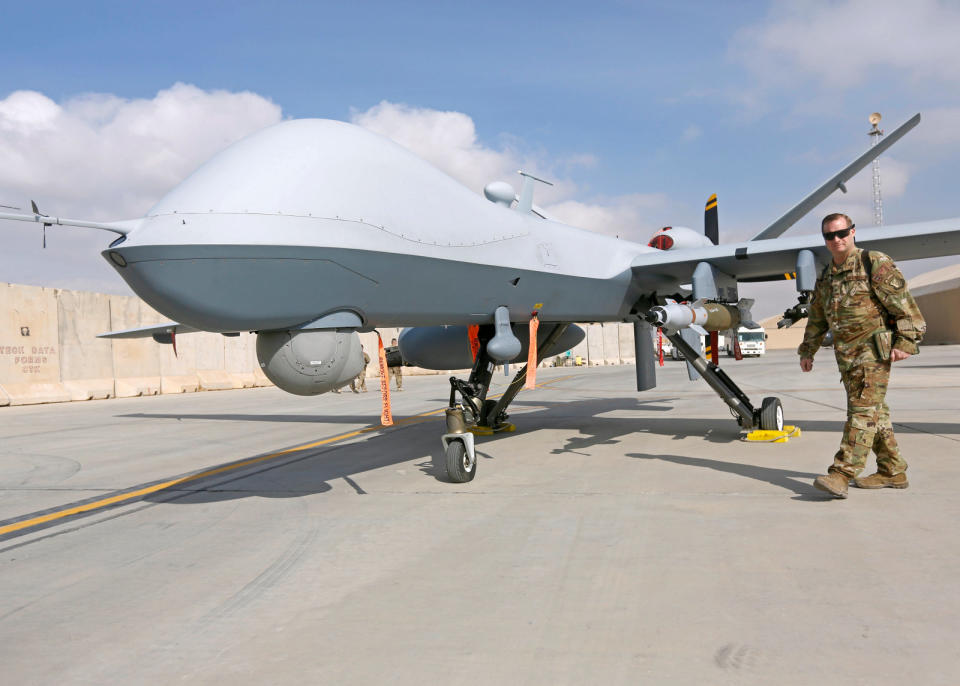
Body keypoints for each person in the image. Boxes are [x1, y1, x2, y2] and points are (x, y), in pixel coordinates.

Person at [798, 213, 926, 498]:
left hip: (873, 352)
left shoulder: (874, 262)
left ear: (853, 232)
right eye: (830, 236)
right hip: (846, 356)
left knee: (861, 412)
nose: (837, 240)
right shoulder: (827, 276)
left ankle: (842, 474)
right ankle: (892, 470)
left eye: (841, 233)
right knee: (874, 412)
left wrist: (906, 341)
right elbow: (817, 317)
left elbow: (904, 306)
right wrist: (808, 350)